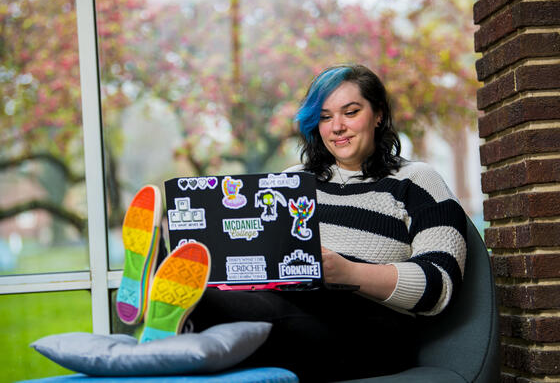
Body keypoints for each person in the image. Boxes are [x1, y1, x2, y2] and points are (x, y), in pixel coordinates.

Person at [117, 63, 467, 382]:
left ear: (377, 115)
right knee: (231, 297)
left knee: (247, 313)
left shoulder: (418, 179)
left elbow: (440, 285)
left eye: (351, 112)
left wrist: (348, 273)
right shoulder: (292, 182)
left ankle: (162, 300)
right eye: (326, 117)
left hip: (373, 333)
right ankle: (168, 275)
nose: (338, 127)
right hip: (292, 308)